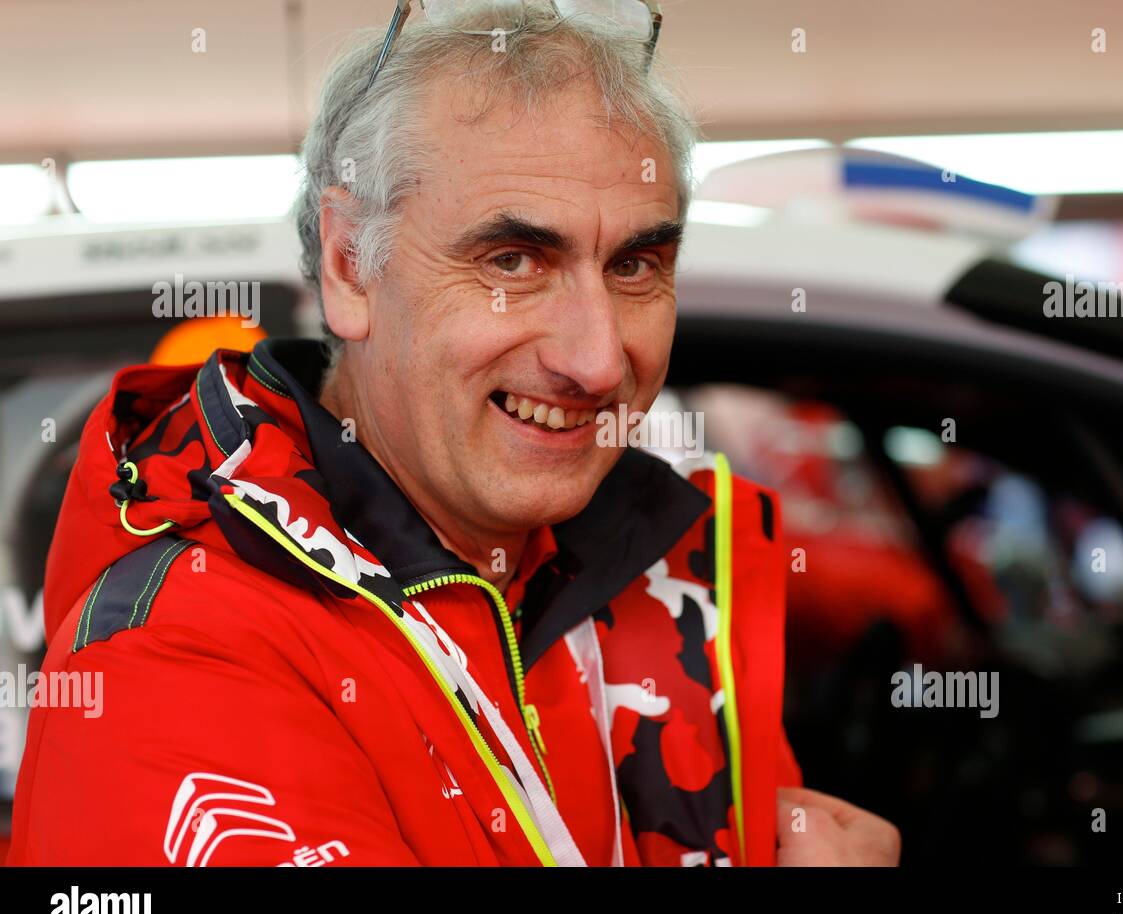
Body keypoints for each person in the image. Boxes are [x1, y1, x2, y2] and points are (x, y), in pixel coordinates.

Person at [7, 0, 899, 867]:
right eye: (512, 262)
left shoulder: (660, 574)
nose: (596, 361)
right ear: (350, 265)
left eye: (635, 266)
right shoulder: (181, 661)